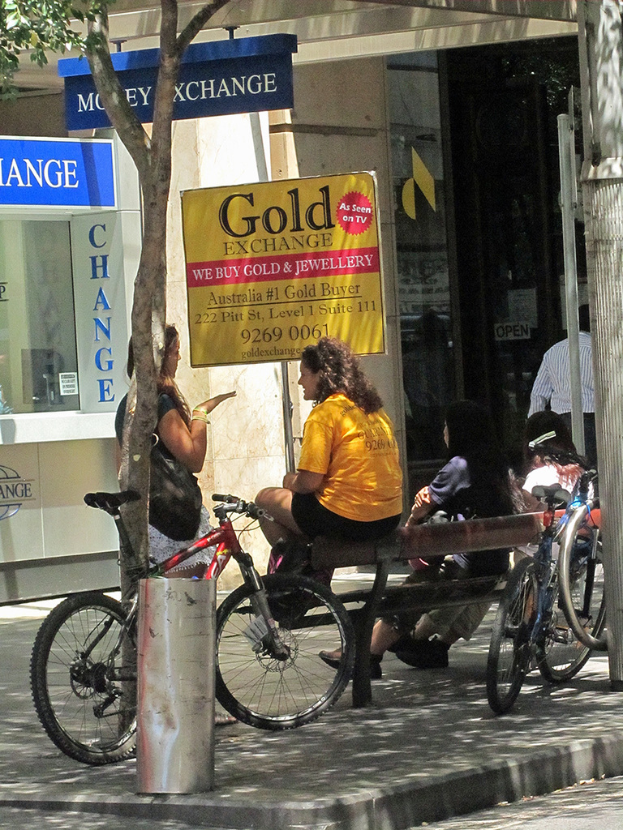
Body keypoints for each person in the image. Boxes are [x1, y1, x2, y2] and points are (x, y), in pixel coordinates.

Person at [320, 400, 517, 677]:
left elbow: (423, 509)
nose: (444, 432)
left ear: (459, 430)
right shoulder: (498, 463)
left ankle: (367, 654)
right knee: (439, 587)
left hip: (465, 565)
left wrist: (413, 516)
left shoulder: (459, 466)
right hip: (494, 565)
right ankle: (422, 645)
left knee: (408, 593)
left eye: (447, 426)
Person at [255, 337, 403, 576]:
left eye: (304, 374)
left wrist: (288, 481)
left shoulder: (324, 414)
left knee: (264, 500)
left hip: (347, 520)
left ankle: (298, 570)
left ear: (322, 375)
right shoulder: (373, 410)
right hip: (389, 517)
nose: (300, 381)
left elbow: (309, 482)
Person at [115, 325, 236, 578]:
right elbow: (194, 459)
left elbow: (121, 464)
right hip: (170, 518)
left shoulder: (126, 405)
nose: (179, 358)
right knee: (184, 602)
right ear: (159, 359)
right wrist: (200, 414)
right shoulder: (160, 403)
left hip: (147, 515)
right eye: (175, 352)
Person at [528, 304, 596, 468]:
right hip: (594, 419)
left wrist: (533, 427)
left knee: (564, 469)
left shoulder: (553, 351)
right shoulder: (599, 349)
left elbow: (538, 394)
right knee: (593, 469)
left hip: (560, 422)